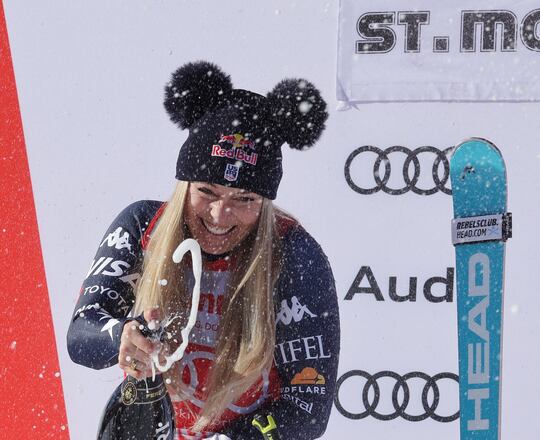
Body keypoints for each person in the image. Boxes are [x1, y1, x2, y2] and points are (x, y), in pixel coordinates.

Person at [67, 61, 339, 439]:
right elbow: (81, 337)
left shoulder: (294, 254)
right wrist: (121, 336)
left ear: (265, 202)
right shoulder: (143, 225)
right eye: (207, 191)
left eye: (243, 198)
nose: (219, 215)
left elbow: (309, 410)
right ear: (185, 186)